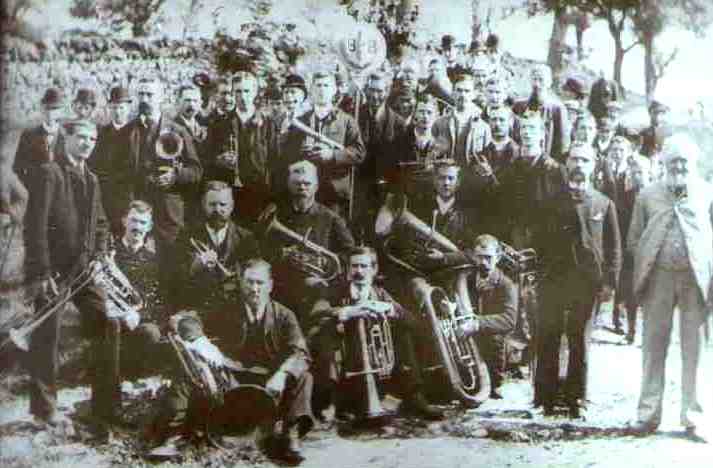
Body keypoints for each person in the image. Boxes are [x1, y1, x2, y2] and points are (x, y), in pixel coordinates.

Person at [148, 259, 314, 465]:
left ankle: (291, 434)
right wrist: (202, 344)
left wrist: (282, 375)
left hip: (270, 383)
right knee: (189, 372)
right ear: (240, 283)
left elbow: (301, 353)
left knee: (303, 376)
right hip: (229, 379)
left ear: (270, 285)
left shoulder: (285, 315)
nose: (254, 289)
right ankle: (174, 436)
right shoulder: (226, 308)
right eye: (249, 282)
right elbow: (186, 320)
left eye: (260, 283)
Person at [23, 120, 114, 435]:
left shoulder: (93, 178)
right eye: (81, 137)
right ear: (67, 138)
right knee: (47, 335)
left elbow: (101, 223)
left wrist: (100, 255)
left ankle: (104, 406)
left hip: (86, 270)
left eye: (92, 138)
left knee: (106, 322)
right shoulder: (49, 172)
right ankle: (44, 410)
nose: (87, 143)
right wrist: (42, 272)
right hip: (54, 272)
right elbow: (34, 226)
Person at [627, 134, 713, 438]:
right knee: (653, 348)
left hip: (695, 281)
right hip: (658, 279)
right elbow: (634, 239)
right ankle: (647, 415)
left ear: (694, 163)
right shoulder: (648, 195)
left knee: (695, 351)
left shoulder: (707, 194)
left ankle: (694, 418)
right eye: (673, 160)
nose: (678, 165)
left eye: (684, 160)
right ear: (663, 162)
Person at [532, 143, 621, 418]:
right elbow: (538, 241)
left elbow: (614, 247)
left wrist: (609, 283)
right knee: (548, 336)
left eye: (585, 160)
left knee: (579, 341)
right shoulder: (549, 202)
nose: (579, 165)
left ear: (593, 165)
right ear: (566, 163)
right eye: (574, 159)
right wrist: (537, 275)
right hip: (554, 279)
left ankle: (577, 399)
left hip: (586, 283)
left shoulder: (604, 204)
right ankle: (544, 400)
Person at [309, 246, 444, 422]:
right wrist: (347, 311)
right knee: (323, 332)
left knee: (403, 332)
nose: (359, 271)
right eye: (354, 266)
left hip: (376, 360)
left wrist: (389, 308)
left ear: (373, 270)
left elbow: (411, 321)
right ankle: (331, 402)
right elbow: (317, 312)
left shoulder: (380, 293)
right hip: (346, 356)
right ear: (348, 269)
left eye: (364, 266)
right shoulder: (335, 290)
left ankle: (415, 397)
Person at [257, 160, 355, 325]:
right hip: (283, 285)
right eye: (297, 183)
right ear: (289, 185)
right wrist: (280, 253)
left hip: (317, 289)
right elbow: (259, 249)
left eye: (307, 183)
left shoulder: (330, 217)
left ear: (316, 187)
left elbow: (350, 252)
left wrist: (325, 263)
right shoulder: (276, 215)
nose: (302, 188)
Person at [278, 70, 365, 218]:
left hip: (334, 193)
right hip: (306, 192)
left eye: (326, 85)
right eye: (318, 86)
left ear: (334, 90)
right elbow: (287, 156)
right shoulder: (301, 120)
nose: (322, 90)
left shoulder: (347, 121)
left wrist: (332, 155)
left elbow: (359, 153)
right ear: (311, 90)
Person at [175, 181, 260, 319]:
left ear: (231, 206)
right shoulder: (187, 235)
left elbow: (255, 277)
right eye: (212, 204)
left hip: (235, 309)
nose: (217, 210)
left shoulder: (246, 238)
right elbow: (176, 278)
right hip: (198, 308)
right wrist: (196, 265)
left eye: (223, 205)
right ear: (204, 205)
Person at [203, 71, 272, 225]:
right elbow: (207, 158)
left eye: (247, 91)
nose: (242, 96)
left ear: (255, 92)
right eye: (238, 91)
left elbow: (275, 161)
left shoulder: (268, 123)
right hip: (229, 194)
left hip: (260, 193)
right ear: (233, 93)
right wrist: (219, 160)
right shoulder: (219, 124)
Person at [456, 234, 518, 398]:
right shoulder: (467, 279)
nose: (483, 262)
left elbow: (509, 320)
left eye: (488, 258)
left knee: (495, 338)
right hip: (468, 334)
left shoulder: (507, 284)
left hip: (491, 340)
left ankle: (494, 381)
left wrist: (477, 324)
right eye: (479, 257)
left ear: (497, 258)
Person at [91, 85, 134, 236]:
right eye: (114, 108)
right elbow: (94, 165)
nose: (118, 112)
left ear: (129, 108)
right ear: (109, 107)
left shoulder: (136, 132)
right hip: (105, 196)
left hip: (129, 197)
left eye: (121, 107)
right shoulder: (101, 133)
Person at [514, 65, 570, 163]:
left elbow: (562, 143)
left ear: (549, 82)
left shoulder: (557, 109)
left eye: (541, 80)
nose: (537, 84)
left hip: (547, 163)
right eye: (534, 79)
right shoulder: (519, 106)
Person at [13, 87, 66, 191]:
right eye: (47, 108)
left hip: (60, 192)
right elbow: (18, 166)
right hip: (34, 190)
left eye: (55, 109)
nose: (50, 113)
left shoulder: (66, 135)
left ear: (61, 111)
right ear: (41, 108)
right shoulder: (28, 134)